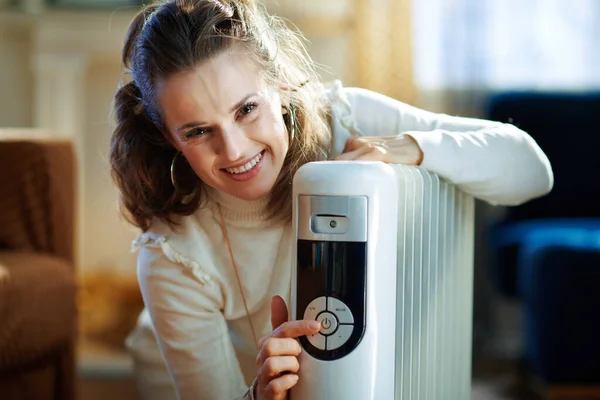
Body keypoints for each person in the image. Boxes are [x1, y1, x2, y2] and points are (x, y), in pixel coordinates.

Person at [108, 0, 553, 399]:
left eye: (246, 110)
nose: (235, 150)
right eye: (198, 131)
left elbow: (534, 172)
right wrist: (259, 395)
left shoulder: (346, 120)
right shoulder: (172, 254)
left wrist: (411, 146)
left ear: (280, 85)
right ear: (168, 136)